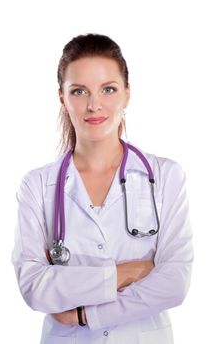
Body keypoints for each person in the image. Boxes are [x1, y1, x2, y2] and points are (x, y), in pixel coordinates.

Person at [11, 33, 194, 344]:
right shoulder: (38, 186)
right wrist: (127, 272)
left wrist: (86, 314)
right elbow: (35, 287)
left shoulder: (166, 177)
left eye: (108, 89)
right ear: (62, 98)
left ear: (126, 94)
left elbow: (175, 282)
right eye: (79, 91)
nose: (94, 105)